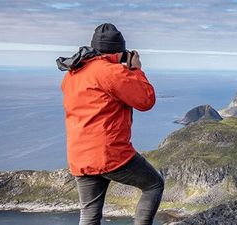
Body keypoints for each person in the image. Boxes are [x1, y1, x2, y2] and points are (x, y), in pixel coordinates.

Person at [57, 23, 163, 225]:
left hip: (80, 156)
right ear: (119, 50)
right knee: (154, 185)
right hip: (109, 154)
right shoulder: (111, 72)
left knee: (89, 214)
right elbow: (145, 100)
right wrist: (136, 70)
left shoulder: (73, 73)